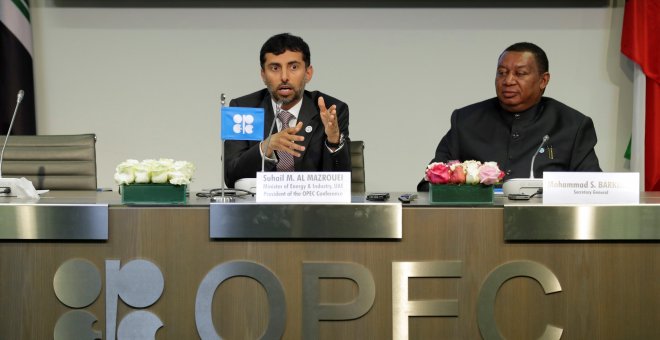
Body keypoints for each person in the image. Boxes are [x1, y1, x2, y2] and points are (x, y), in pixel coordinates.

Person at [418, 42, 601, 191]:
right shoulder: (466, 121)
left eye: (520, 73)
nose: (508, 81)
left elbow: (592, 187)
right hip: (478, 225)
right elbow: (431, 182)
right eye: (502, 73)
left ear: (543, 80)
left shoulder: (572, 125)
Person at [224, 33, 350, 188]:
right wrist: (265, 148)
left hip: (312, 208)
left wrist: (334, 141)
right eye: (275, 68)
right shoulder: (243, 109)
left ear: (308, 73)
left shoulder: (331, 110)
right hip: (259, 210)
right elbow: (230, 176)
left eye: (294, 67)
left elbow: (344, 183)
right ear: (263, 74)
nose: (284, 77)